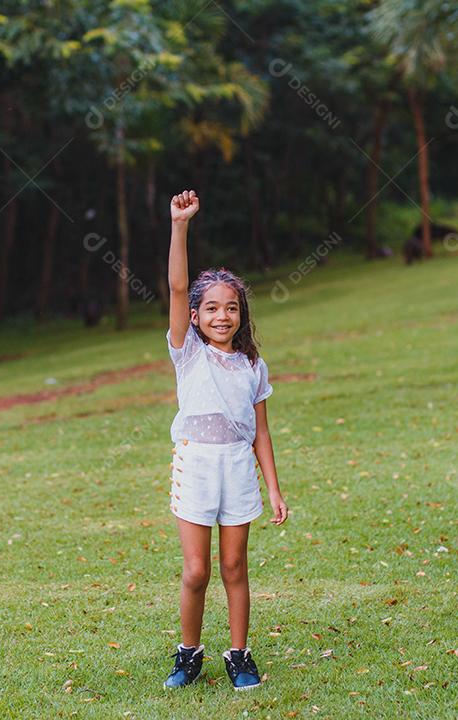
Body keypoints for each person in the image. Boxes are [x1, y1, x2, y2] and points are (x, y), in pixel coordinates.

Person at [163, 189, 289, 691]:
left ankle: (239, 655)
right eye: (211, 308)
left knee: (234, 565)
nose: (221, 316)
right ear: (195, 317)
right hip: (195, 466)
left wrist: (274, 488)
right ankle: (188, 655)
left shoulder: (252, 365)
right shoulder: (187, 353)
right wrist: (179, 226)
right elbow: (176, 287)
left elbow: (261, 431)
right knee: (196, 571)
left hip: (237, 468)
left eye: (231, 308)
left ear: (241, 314)